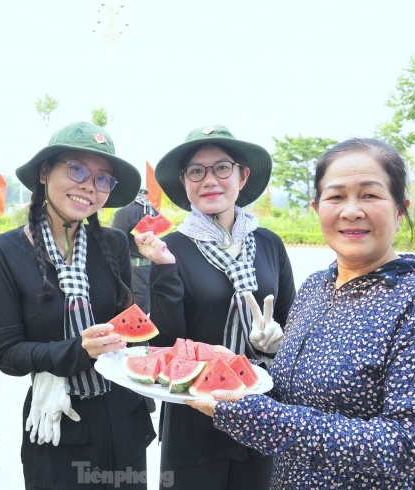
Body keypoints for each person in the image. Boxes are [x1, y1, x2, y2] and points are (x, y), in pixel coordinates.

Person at [186, 138, 415, 489]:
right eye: (336, 197)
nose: (351, 210)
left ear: (400, 209)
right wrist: (238, 372)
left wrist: (255, 416)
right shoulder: (316, 287)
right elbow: (293, 393)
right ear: (317, 207)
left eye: (369, 195)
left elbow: (406, 447)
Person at [0, 121, 156, 489]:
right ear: (45, 173)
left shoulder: (113, 244)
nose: (88, 187)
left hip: (125, 419)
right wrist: (76, 350)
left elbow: (131, 329)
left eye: (102, 179)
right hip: (58, 426)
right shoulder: (6, 251)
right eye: (76, 169)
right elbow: (8, 354)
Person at [135, 125, 296, 490]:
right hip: (194, 413)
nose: (210, 180)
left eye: (221, 168)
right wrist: (164, 268)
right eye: (197, 171)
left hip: (261, 407)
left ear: (243, 175)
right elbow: (166, 343)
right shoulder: (171, 247)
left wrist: (277, 340)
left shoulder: (269, 244)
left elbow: (291, 320)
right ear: (184, 181)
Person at [112, 188, 159, 313]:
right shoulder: (155, 213)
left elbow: (115, 245)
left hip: (133, 273)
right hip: (152, 271)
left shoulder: (124, 213)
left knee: (134, 312)